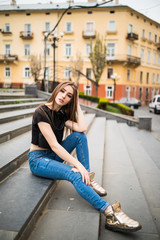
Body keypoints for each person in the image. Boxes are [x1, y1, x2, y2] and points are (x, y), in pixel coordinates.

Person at [28, 81, 142, 233]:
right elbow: (55, 145)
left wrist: (77, 105)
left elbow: (82, 128)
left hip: (52, 156)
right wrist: (79, 166)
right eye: (62, 91)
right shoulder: (41, 112)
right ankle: (109, 212)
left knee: (79, 136)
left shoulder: (61, 114)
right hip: (38, 160)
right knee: (74, 173)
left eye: (69, 96)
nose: (63, 96)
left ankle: (87, 177)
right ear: (56, 90)